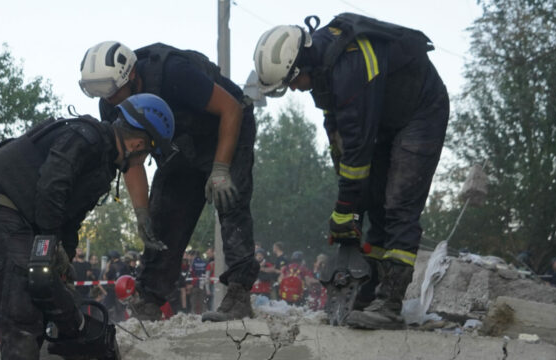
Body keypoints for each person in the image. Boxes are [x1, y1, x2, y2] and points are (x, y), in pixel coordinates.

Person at [0, 93, 174, 360]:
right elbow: (53, 184)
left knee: (34, 302)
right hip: (4, 215)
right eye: (145, 154)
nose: (140, 160)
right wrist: (47, 243)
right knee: (21, 312)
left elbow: (69, 215)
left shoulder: (100, 159)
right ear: (139, 142)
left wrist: (62, 255)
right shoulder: (86, 138)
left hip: (14, 220)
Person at [252, 14, 448, 330]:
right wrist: (352, 207)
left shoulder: (350, 67)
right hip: (381, 119)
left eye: (291, 83)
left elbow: (357, 146)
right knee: (374, 202)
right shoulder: (321, 70)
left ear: (299, 67)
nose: (295, 90)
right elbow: (338, 134)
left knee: (399, 203)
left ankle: (390, 303)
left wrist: (345, 208)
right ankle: (369, 292)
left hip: (420, 112)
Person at [80, 41, 257, 322]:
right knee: (164, 218)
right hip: (178, 146)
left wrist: (221, 168)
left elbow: (232, 110)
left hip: (223, 129)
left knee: (230, 201)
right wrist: (141, 213)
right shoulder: (111, 103)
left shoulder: (174, 73)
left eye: (114, 93)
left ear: (132, 76)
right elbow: (131, 158)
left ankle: (238, 293)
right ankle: (149, 299)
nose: (111, 101)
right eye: (105, 96)